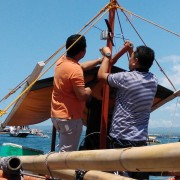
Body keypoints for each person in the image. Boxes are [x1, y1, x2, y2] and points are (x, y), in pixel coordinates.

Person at [98, 42, 158, 179]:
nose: (130, 58)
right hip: (140, 139)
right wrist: (130, 51)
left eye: (132, 56)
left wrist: (107, 55)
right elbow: (135, 70)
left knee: (120, 177)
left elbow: (101, 75)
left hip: (120, 138)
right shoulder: (153, 80)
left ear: (136, 61)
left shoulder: (124, 78)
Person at [51, 34, 102, 152]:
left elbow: (80, 66)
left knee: (63, 149)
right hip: (70, 118)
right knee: (67, 155)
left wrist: (99, 60)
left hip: (57, 115)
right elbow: (82, 95)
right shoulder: (75, 70)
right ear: (82, 52)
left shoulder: (61, 61)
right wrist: (90, 89)